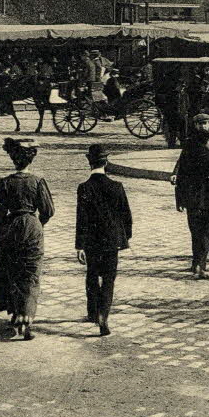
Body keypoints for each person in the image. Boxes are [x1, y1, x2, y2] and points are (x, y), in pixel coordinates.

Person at [0, 138, 55, 340]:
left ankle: (15, 313)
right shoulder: (38, 182)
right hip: (32, 228)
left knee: (12, 270)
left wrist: (2, 229)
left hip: (11, 228)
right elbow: (48, 210)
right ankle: (26, 318)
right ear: (31, 160)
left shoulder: (4, 183)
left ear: (13, 159)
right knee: (31, 272)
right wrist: (37, 224)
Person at [76, 144, 132, 336]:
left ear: (89, 163)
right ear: (106, 163)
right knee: (109, 279)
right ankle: (103, 315)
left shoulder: (84, 188)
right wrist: (125, 237)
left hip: (91, 241)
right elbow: (126, 216)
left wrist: (79, 246)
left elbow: (81, 219)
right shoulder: (117, 187)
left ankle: (92, 312)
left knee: (92, 276)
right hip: (112, 241)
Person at [171, 113, 209, 278]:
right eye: (199, 124)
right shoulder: (190, 144)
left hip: (208, 195)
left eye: (205, 123)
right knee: (199, 230)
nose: (202, 126)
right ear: (195, 126)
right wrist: (175, 175)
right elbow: (182, 165)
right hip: (201, 196)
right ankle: (199, 263)